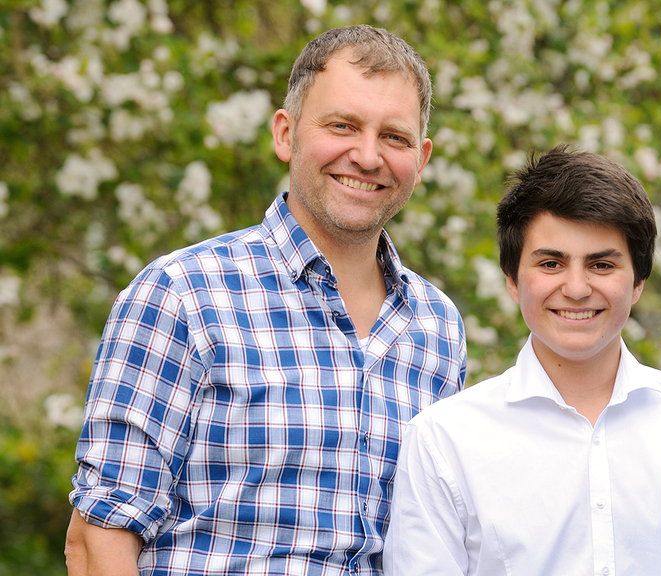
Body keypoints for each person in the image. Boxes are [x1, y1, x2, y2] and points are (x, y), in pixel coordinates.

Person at [64, 25, 466, 575]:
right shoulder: (182, 295)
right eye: (342, 126)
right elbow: (97, 540)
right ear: (286, 134)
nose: (367, 155)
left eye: (393, 137)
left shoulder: (438, 328)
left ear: (420, 160)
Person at [383, 145, 661, 576]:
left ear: (638, 282)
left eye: (601, 264)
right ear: (512, 280)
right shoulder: (444, 441)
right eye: (551, 263)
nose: (576, 288)